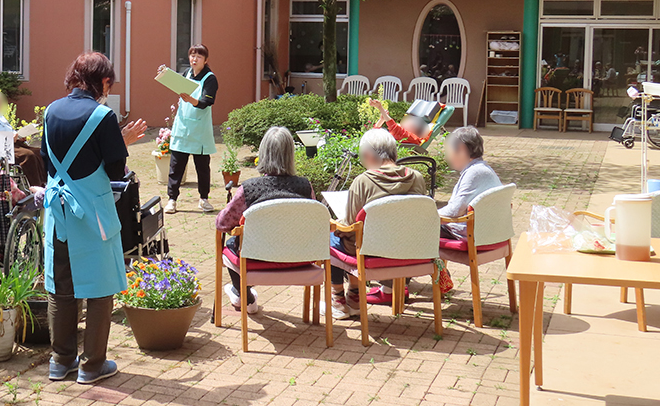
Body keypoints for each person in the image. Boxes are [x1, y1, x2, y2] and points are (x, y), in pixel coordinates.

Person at [40, 52, 146, 385]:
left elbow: (46, 159)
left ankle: (61, 360)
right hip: (93, 210)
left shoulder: (51, 110)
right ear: (103, 82)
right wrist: (123, 141)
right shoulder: (102, 116)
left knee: (61, 284)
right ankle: (92, 365)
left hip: (58, 210)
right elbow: (115, 170)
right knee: (101, 285)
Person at [215, 126, 317, 315]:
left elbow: (223, 224)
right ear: (290, 155)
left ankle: (244, 296)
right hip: (301, 256)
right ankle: (242, 294)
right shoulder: (305, 186)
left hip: (257, 257)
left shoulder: (249, 189)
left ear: (263, 153)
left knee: (231, 243)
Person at [330, 129, 427, 317]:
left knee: (333, 237)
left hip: (371, 251)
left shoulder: (363, 181)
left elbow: (350, 225)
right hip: (409, 248)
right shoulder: (417, 177)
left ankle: (340, 298)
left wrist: (336, 226)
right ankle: (355, 295)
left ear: (367, 155)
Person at [163, 45, 218, 215]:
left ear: (206, 60)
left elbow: (206, 102)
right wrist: (166, 74)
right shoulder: (186, 73)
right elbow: (176, 84)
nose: (194, 59)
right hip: (182, 126)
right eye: (192, 56)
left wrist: (192, 100)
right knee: (176, 166)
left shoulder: (210, 78)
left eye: (199, 57)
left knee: (202, 167)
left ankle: (203, 199)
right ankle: (172, 200)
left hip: (199, 129)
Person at [0, 88, 47, 187]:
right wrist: (8, 138)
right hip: (0, 148)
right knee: (28, 155)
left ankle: (44, 182)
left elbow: (9, 130)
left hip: (13, 143)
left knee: (40, 152)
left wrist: (19, 136)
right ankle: (35, 186)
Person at [439, 126, 502, 239]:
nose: (447, 157)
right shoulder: (484, 169)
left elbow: (455, 210)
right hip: (489, 233)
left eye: (449, 152)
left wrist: (427, 215)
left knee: (415, 228)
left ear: (462, 149)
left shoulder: (475, 172)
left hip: (469, 234)